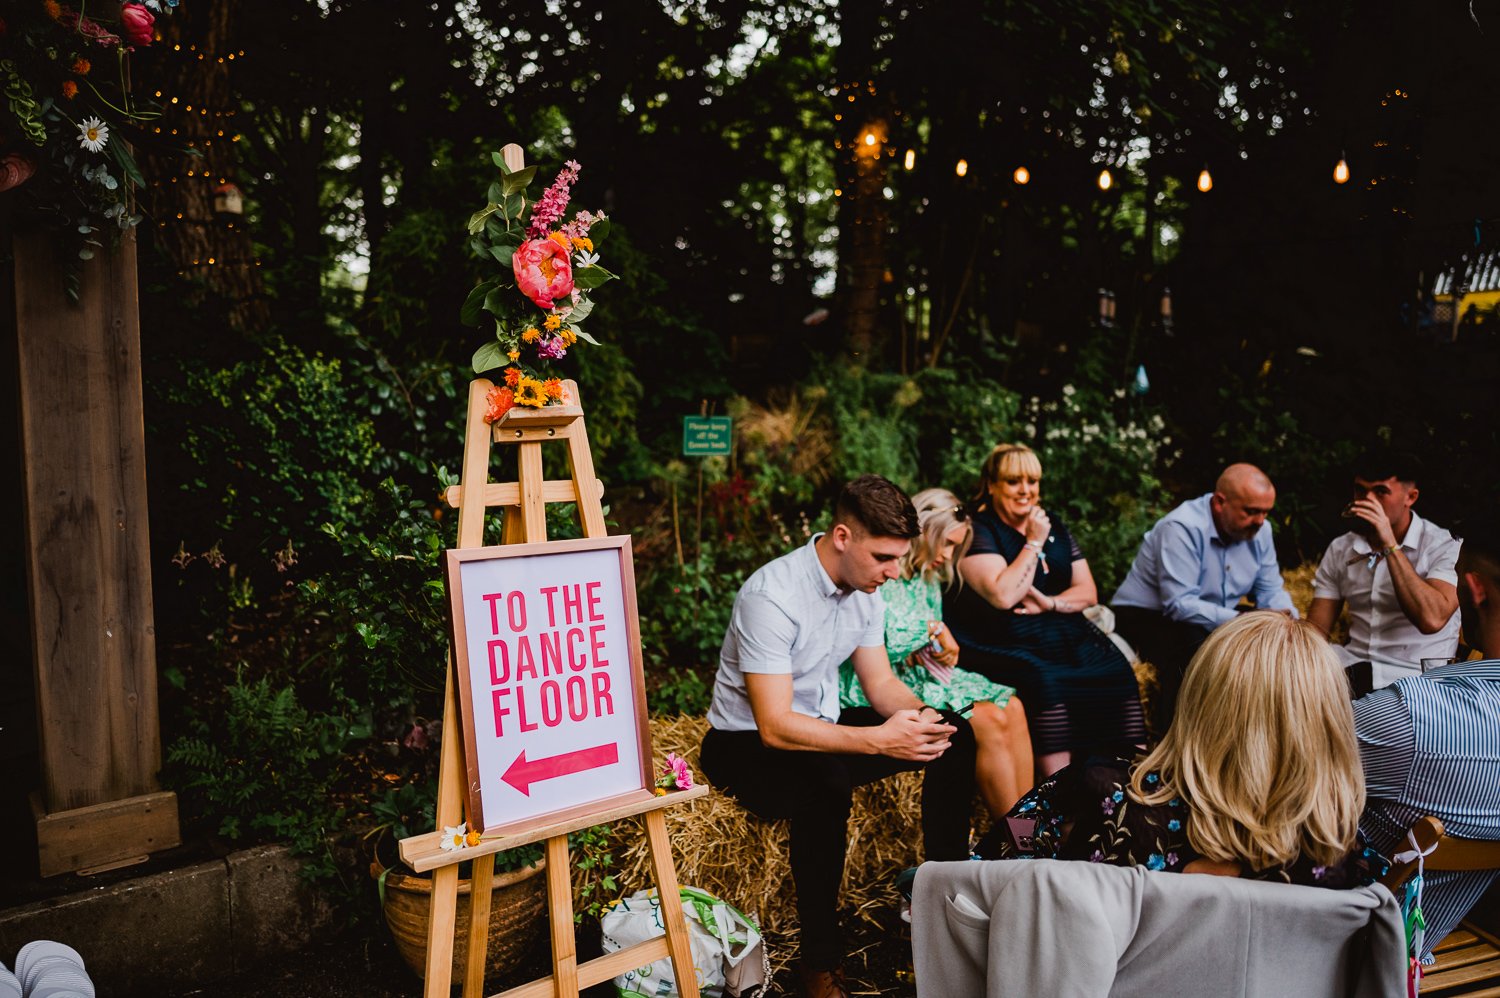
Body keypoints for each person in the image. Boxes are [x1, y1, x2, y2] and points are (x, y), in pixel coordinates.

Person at [700, 474, 977, 998]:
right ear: (843, 536)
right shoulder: (772, 595)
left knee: (954, 734)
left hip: (821, 726)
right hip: (744, 745)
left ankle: (943, 902)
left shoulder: (865, 591)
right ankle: (819, 964)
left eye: (899, 558)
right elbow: (776, 726)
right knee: (827, 782)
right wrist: (878, 742)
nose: (895, 572)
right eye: (883, 558)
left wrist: (919, 719)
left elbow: (881, 687)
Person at [976, 611, 1387, 890]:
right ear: (1328, 726)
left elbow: (989, 872)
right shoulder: (1339, 859)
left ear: (1200, 698)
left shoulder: (1105, 792)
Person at [945, 443, 1145, 777]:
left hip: (1067, 633)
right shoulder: (979, 529)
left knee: (1119, 672)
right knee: (1046, 681)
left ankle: (1130, 787)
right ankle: (1056, 799)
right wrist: (1033, 542)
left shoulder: (1054, 523)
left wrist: (1051, 603)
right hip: (1006, 638)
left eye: (1032, 481)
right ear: (991, 485)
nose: (1026, 490)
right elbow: (1004, 596)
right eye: (1013, 481)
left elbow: (1088, 592)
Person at [1353, 515, 1500, 960]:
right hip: (1422, 945)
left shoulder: (1410, 717)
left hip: (1338, 950)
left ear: (1472, 590)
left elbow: (1262, 769)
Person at [837, 487, 1034, 815]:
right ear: (925, 530)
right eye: (948, 542)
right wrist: (931, 632)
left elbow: (924, 640)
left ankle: (1033, 825)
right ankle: (1017, 842)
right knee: (986, 718)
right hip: (876, 683)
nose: (949, 554)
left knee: (1013, 707)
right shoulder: (879, 571)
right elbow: (876, 642)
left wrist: (938, 648)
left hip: (919, 675)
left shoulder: (928, 577)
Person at [1111, 463, 1297, 736]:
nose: (1260, 521)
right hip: (1146, 614)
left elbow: (1270, 589)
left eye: (1266, 512)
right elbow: (1179, 604)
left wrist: (1288, 618)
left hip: (1213, 613)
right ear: (1220, 502)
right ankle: (1174, 746)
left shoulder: (1261, 531)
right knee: (1193, 652)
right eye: (1251, 511)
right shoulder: (1181, 527)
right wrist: (1244, 621)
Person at [1308, 450, 1461, 674]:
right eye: (1360, 490)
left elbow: (1432, 618)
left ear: (1411, 497)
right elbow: (1316, 631)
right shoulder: (1341, 548)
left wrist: (1389, 544)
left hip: (1416, 677)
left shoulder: (1443, 544)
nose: (1367, 501)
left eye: (1380, 492)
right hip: (1352, 666)